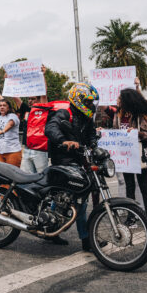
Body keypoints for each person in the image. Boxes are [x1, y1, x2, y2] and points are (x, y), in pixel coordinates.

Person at [45, 82, 99, 251]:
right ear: (78, 100)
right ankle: (85, 239)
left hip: (80, 161)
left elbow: (91, 135)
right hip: (63, 160)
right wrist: (64, 141)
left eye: (91, 102)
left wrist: (95, 147)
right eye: (88, 101)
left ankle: (50, 228)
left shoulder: (87, 118)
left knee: (65, 198)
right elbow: (50, 128)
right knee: (78, 200)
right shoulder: (64, 113)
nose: (90, 105)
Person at [113, 88, 147, 221]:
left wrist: (138, 133)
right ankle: (131, 216)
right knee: (129, 186)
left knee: (143, 186)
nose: (118, 100)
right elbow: (116, 132)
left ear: (127, 100)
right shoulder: (118, 115)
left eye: (120, 98)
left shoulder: (140, 115)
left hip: (138, 154)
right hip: (125, 154)